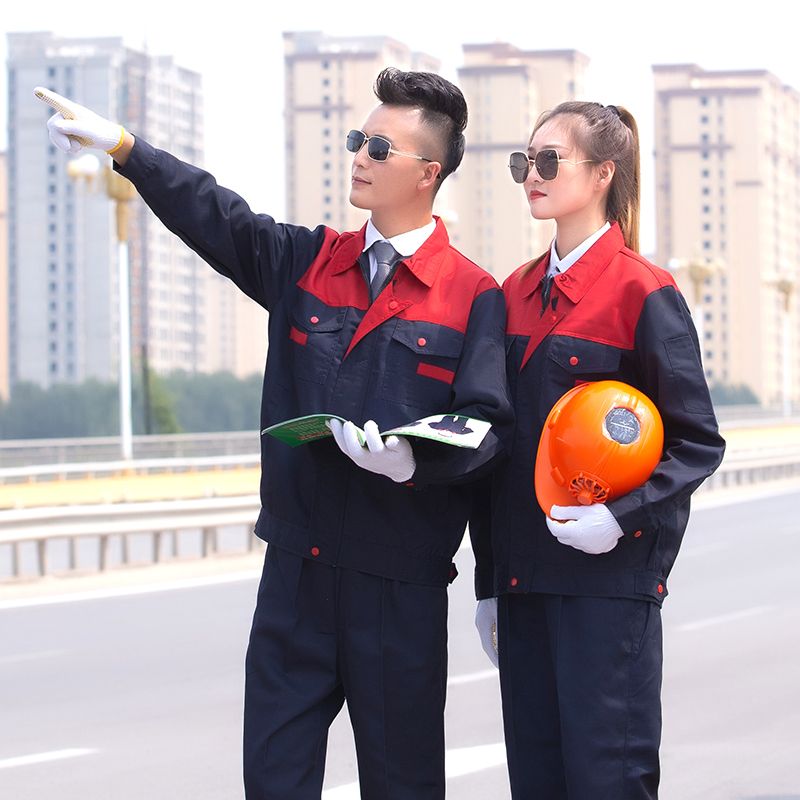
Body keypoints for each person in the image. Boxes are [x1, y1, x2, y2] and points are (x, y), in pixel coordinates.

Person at [41, 68, 512, 799]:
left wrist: (412, 461)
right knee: (273, 780)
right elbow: (215, 214)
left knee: (405, 786)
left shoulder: (474, 295)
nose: (358, 157)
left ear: (428, 172)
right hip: (296, 579)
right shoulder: (307, 261)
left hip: (399, 590)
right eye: (357, 140)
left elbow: (487, 431)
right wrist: (127, 149)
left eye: (378, 148)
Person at [472, 101, 726, 799]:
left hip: (606, 589)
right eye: (525, 161)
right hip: (523, 588)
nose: (532, 174)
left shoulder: (644, 292)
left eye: (549, 160)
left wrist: (620, 518)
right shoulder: (512, 294)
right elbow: (497, 451)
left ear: (604, 172)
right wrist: (489, 584)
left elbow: (697, 441)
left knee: (607, 780)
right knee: (537, 783)